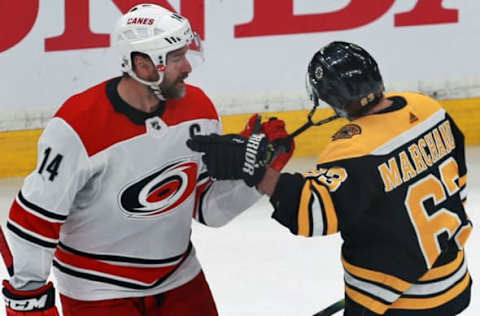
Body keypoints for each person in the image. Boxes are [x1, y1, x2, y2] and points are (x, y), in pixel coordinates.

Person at [1, 4, 293, 316]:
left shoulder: (199, 109)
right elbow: (34, 217)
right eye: (177, 58)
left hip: (179, 280)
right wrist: (28, 295)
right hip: (98, 291)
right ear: (142, 66)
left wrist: (261, 174)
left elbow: (208, 209)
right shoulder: (77, 127)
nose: (188, 68)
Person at [187, 41, 473, 315]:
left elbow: (311, 213)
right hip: (455, 279)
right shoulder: (426, 108)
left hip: (399, 302)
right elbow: (458, 180)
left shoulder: (351, 148)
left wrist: (257, 171)